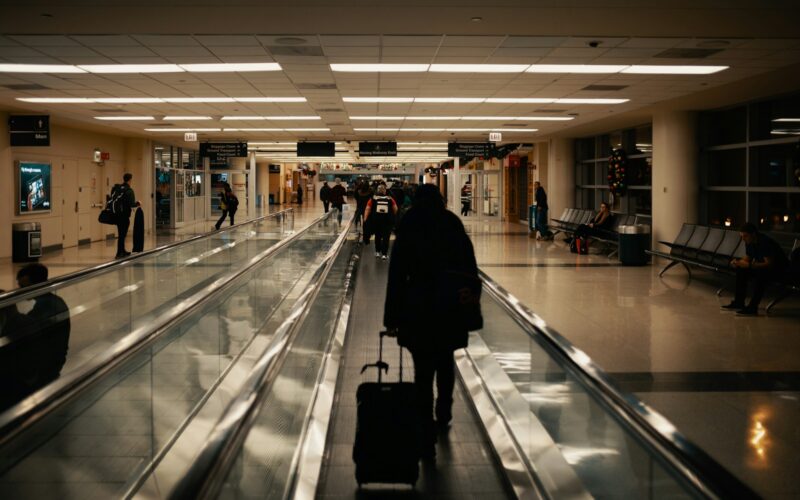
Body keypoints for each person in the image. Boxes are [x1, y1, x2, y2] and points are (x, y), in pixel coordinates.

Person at [384, 184, 480, 460]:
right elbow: (469, 265)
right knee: (445, 359)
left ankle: (425, 426)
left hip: (418, 306)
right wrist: (470, 300)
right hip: (449, 304)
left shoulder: (410, 223)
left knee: (423, 369)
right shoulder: (451, 222)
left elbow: (397, 273)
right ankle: (445, 410)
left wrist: (392, 317)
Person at [0, 264, 71, 410]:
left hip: (43, 371)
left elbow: (29, 336)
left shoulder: (44, 310)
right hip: (51, 363)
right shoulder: (52, 302)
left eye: (24, 286)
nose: (21, 291)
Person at [722, 223, 789, 316]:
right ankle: (739, 302)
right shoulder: (749, 242)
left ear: (753, 234)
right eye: (741, 236)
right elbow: (748, 257)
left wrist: (749, 265)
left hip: (779, 271)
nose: (743, 239)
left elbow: (769, 264)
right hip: (764, 267)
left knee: (762, 274)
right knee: (741, 270)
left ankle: (753, 307)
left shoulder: (765, 242)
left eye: (745, 236)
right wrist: (738, 262)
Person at [364, 185, 397, 260]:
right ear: (385, 191)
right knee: (386, 237)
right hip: (387, 221)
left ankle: (377, 252)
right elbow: (395, 208)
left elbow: (367, 209)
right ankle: (384, 254)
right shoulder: (390, 199)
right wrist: (392, 215)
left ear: (377, 190)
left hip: (376, 221)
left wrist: (365, 219)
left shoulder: (373, 198)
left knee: (377, 236)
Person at [111, 173, 139, 258]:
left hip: (117, 215)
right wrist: (138, 203)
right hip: (124, 216)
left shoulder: (119, 188)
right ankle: (119, 253)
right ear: (130, 180)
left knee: (121, 234)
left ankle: (122, 250)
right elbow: (132, 204)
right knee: (122, 235)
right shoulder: (129, 191)